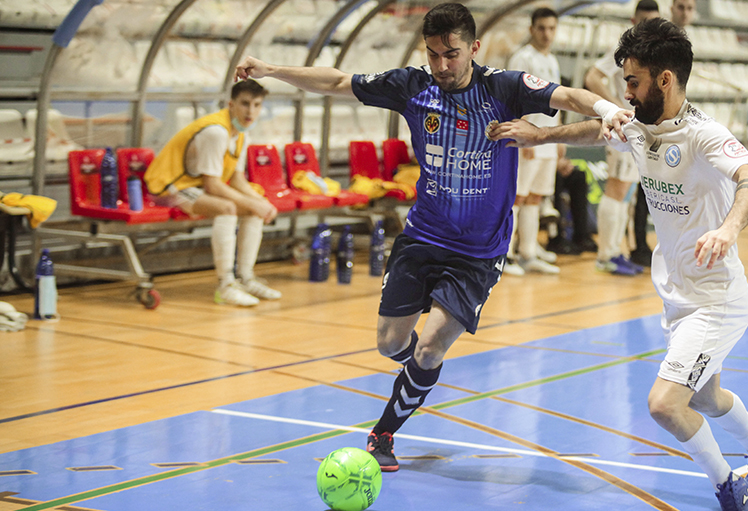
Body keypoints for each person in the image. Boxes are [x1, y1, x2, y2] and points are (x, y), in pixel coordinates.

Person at [235, 2, 631, 472]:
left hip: (478, 250)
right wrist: (272, 70)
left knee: (431, 346)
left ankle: (383, 432)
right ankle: (419, 374)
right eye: (434, 54)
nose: (442, 65)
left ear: (474, 49)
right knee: (388, 344)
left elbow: (571, 97)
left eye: (452, 54)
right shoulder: (412, 85)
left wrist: (607, 108)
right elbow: (340, 82)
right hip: (423, 236)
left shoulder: (504, 87)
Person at [490, 18, 748, 511]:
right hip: (678, 296)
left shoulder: (704, 135)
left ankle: (732, 487)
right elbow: (602, 129)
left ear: (666, 81)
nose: (623, 92)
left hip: (717, 299)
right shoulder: (641, 122)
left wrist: (726, 228)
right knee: (705, 398)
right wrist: (541, 135)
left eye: (632, 82)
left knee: (664, 404)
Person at [144, 79, 282, 307]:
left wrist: (261, 202)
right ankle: (225, 285)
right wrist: (253, 203)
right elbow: (213, 186)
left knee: (254, 210)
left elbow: (237, 179)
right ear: (231, 104)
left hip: (194, 186)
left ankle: (245, 278)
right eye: (245, 104)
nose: (251, 111)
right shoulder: (216, 132)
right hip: (167, 187)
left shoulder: (241, 134)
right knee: (227, 208)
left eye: (257, 105)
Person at [583, 0, 661, 275]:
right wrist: (615, 107)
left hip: (640, 129)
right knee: (616, 189)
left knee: (626, 192)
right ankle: (606, 255)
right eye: (642, 22)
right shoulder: (624, 49)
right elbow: (592, 77)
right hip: (622, 128)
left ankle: (616, 252)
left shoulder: (653, 53)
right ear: (633, 21)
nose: (646, 28)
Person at [504, 7, 563, 275]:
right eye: (541, 28)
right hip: (528, 136)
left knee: (536, 197)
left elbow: (558, 101)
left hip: (549, 136)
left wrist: (560, 135)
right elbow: (513, 97)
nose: (547, 33)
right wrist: (519, 134)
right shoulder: (522, 57)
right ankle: (505, 254)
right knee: (517, 196)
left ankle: (528, 251)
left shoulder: (553, 60)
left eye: (551, 28)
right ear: (531, 29)